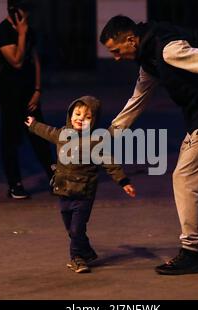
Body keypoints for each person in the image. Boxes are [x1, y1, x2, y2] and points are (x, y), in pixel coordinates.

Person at [99, 15, 198, 275]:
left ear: (131, 40)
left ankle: (191, 253)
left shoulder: (168, 50)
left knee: (184, 179)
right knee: (191, 183)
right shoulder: (149, 59)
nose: (116, 57)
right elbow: (138, 99)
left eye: (116, 50)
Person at [25, 96, 136, 273]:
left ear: (94, 121)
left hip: (84, 193)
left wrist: (123, 181)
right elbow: (47, 131)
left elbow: (110, 163)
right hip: (63, 190)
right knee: (71, 228)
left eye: (87, 117)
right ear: (70, 115)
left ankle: (77, 258)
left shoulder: (95, 141)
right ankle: (87, 251)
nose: (80, 119)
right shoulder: (62, 134)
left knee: (77, 228)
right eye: (77, 114)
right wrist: (34, 124)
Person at [0, 0, 54, 199]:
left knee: (40, 135)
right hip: (10, 94)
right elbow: (17, 61)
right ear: (13, 10)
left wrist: (37, 89)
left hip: (29, 95)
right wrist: (21, 33)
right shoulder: (2, 32)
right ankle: (14, 184)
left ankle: (54, 177)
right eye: (24, 10)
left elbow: (34, 60)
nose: (27, 14)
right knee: (11, 139)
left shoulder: (31, 32)